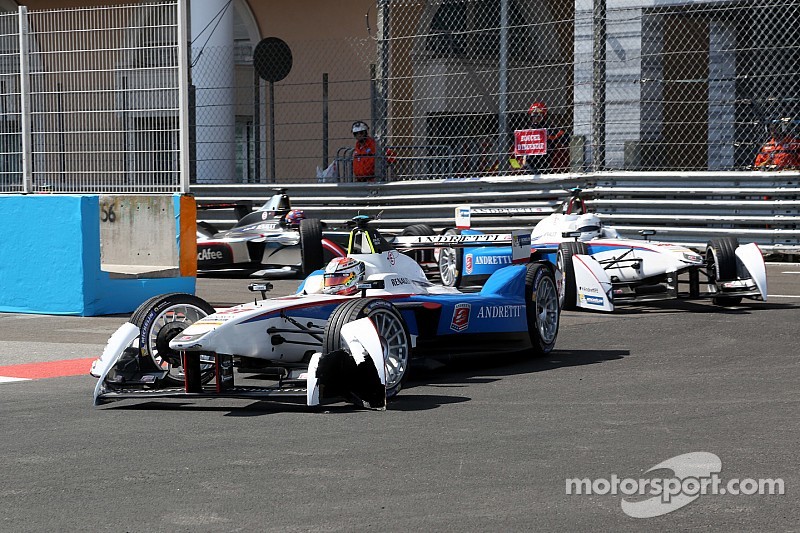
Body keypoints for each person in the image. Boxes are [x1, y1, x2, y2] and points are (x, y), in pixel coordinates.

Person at [510, 102, 570, 173]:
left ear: (544, 116)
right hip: (528, 166)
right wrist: (516, 167)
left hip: (546, 165)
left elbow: (566, 138)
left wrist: (549, 137)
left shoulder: (550, 130)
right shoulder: (525, 131)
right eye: (533, 115)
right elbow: (512, 154)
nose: (535, 118)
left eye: (538, 115)